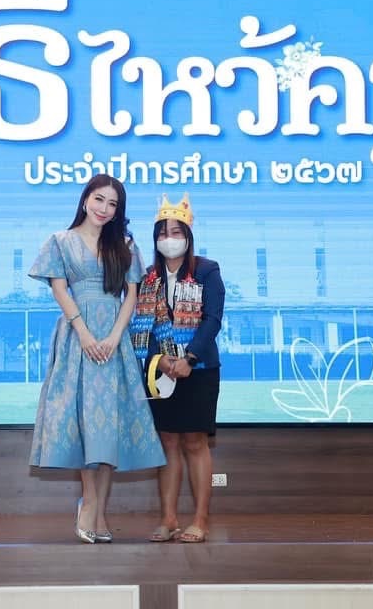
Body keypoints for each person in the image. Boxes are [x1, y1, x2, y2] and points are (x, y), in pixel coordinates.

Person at [28, 174, 166, 544]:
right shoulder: (60, 241)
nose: (104, 209)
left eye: (112, 204)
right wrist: (85, 334)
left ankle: (99, 512)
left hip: (114, 340)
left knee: (109, 427)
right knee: (86, 423)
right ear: (86, 199)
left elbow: (131, 295)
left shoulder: (124, 245)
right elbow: (60, 290)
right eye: (99, 199)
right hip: (78, 338)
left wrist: (115, 337)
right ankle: (89, 505)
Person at [131, 193, 225, 544]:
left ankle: (200, 520)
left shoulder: (207, 270)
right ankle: (168, 519)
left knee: (195, 442)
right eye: (162, 233)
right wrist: (164, 360)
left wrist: (189, 359)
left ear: (187, 235)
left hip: (200, 369)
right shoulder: (148, 278)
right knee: (167, 441)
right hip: (161, 371)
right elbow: (142, 324)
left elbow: (213, 319)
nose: (168, 239)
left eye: (175, 232)